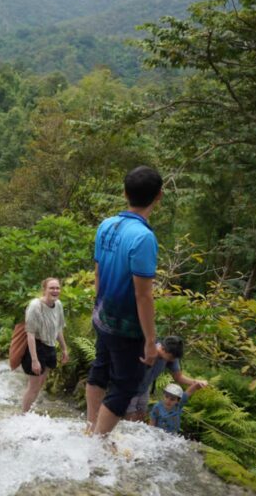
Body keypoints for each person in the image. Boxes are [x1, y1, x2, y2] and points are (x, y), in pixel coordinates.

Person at [85, 166, 164, 437]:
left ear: (124, 193)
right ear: (159, 196)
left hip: (102, 315)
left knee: (100, 369)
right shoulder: (144, 238)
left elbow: (97, 272)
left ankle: (90, 427)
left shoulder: (106, 225)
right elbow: (143, 294)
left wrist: (97, 308)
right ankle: (98, 442)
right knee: (125, 385)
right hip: (126, 326)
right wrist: (150, 340)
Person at [124, 335, 208, 422]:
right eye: (172, 357)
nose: (173, 360)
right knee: (129, 420)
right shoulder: (146, 349)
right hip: (128, 389)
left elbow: (178, 377)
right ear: (163, 349)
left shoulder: (171, 357)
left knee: (140, 419)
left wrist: (196, 382)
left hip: (144, 390)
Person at [21, 278, 70, 413]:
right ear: (44, 290)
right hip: (36, 346)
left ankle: (28, 411)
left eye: (57, 288)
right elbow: (29, 334)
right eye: (51, 288)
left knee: (40, 385)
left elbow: (59, 328)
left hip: (50, 346)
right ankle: (23, 416)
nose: (55, 291)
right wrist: (34, 360)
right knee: (33, 386)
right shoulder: (35, 306)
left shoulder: (58, 304)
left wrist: (64, 349)